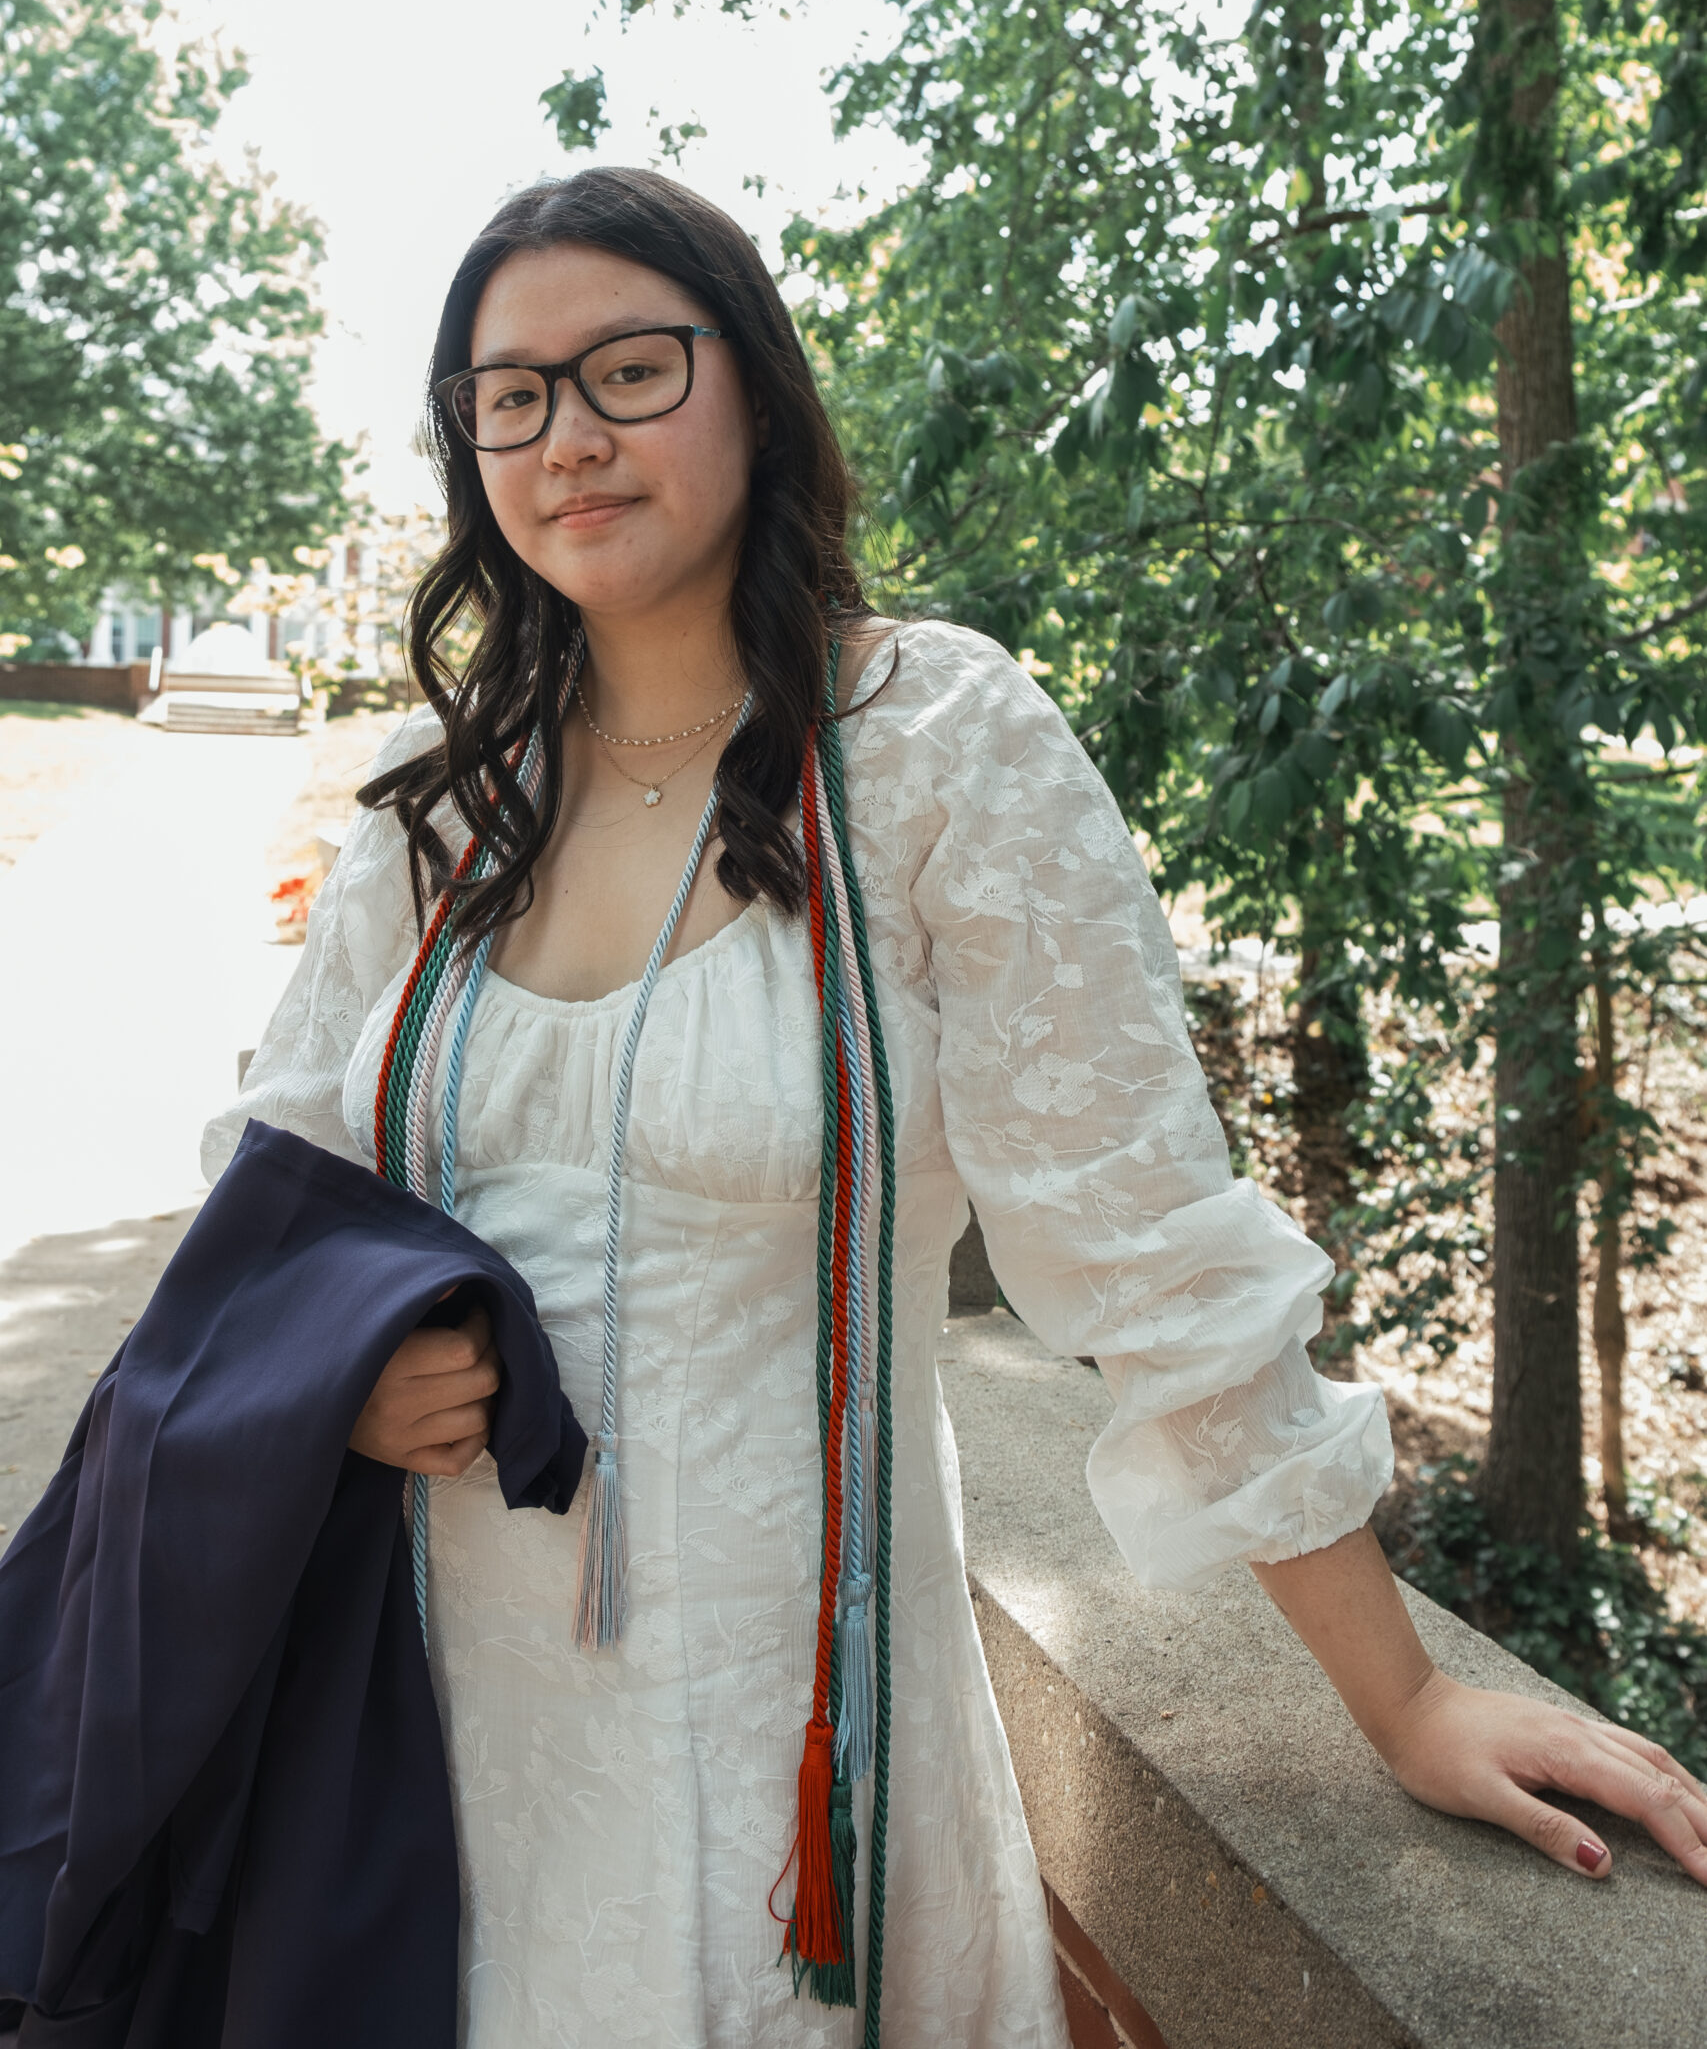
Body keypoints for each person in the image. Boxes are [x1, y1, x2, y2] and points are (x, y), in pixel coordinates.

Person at [204, 167, 1707, 2049]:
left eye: (628, 371)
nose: (567, 437)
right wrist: (335, 1371)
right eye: (510, 397)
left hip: (793, 1730)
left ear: (753, 384)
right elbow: (275, 1183)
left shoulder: (924, 743)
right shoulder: (440, 805)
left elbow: (1144, 1235)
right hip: (420, 1707)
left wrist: (1403, 1700)